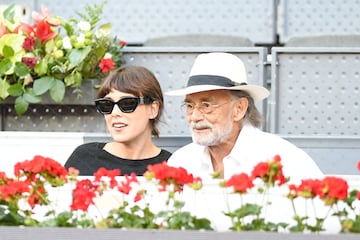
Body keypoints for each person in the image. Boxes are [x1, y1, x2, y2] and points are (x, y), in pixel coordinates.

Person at [166, 52, 323, 182]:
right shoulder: (181, 162)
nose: (194, 117)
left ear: (239, 109)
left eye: (206, 105)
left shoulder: (283, 158)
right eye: (189, 106)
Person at [65, 66, 172, 176]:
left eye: (127, 103)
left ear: (153, 109)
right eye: (107, 105)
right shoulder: (84, 158)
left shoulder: (173, 165)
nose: (114, 113)